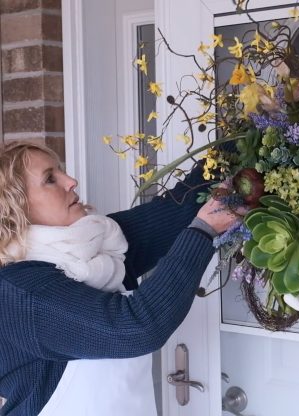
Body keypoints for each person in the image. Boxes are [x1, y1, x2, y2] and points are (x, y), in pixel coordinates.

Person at [0, 141, 237, 415]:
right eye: (50, 179)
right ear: (15, 207)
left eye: (61, 171)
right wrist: (204, 231)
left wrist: (260, 124)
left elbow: (177, 209)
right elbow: (137, 327)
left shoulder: (100, 242)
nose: (71, 181)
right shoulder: (19, 292)